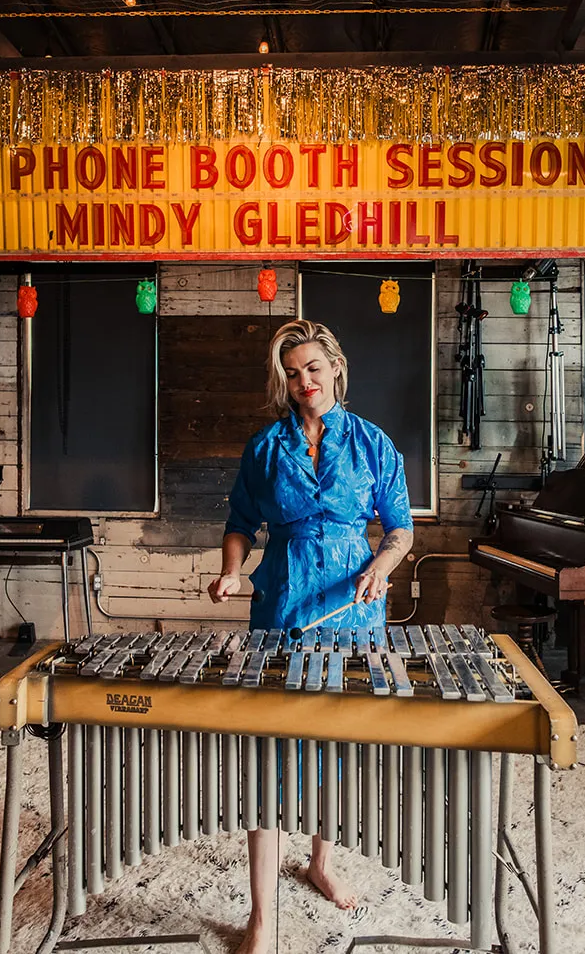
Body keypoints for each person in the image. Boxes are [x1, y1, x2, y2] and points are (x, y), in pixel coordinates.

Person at [207, 318, 414, 954]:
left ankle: (322, 862)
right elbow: (241, 524)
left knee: (336, 748)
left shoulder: (375, 444)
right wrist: (231, 571)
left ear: (336, 370)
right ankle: (263, 919)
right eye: (292, 373)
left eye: (313, 370)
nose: (304, 382)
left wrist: (380, 567)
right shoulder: (265, 448)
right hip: (282, 606)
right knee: (271, 756)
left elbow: (400, 530)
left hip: (354, 615)